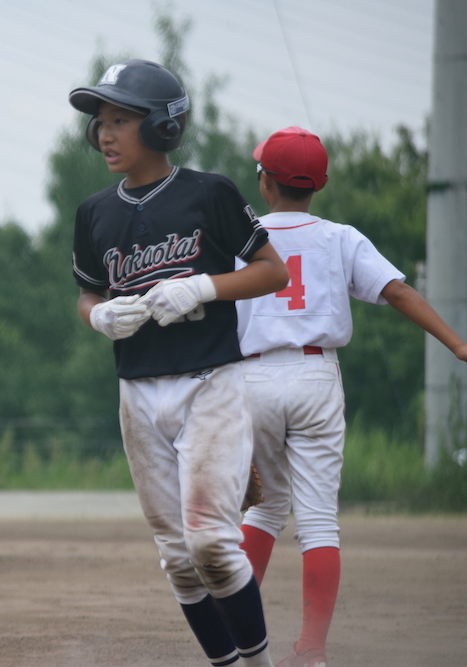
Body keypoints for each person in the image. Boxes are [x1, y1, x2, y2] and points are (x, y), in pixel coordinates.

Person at [69, 59, 290, 667]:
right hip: (137, 393)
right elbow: (87, 294)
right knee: (177, 555)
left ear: (163, 126)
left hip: (209, 380)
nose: (105, 134)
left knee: (211, 544)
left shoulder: (209, 193)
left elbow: (273, 272)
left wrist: (204, 287)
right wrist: (97, 316)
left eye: (120, 119)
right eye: (100, 122)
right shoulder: (94, 212)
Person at [237, 126, 467, 667]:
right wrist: (458, 344)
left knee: (264, 511)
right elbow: (398, 291)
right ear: (318, 185)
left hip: (252, 379)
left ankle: (233, 639)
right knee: (318, 520)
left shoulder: (239, 239)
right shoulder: (339, 237)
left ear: (265, 182)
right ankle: (310, 651)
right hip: (315, 375)